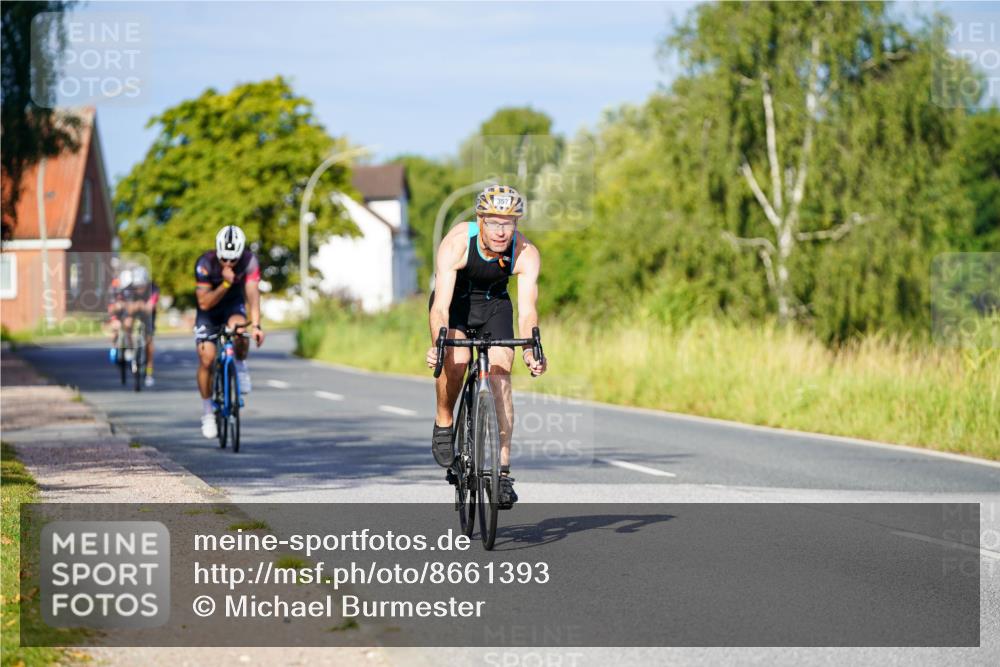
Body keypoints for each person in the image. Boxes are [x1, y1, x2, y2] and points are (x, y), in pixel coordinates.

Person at [425, 185, 547, 509]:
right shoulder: (457, 244)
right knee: (458, 356)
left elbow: (528, 311)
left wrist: (531, 350)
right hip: (458, 305)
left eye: (508, 223)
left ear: (516, 224)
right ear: (480, 220)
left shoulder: (525, 253)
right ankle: (443, 419)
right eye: (493, 222)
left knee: (500, 376)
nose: (500, 231)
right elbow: (440, 307)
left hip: (495, 306)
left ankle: (502, 472)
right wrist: (439, 343)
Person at [194, 225, 265, 438]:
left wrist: (257, 325)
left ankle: (240, 365)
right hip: (209, 309)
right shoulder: (205, 263)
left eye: (233, 260)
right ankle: (208, 412)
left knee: (240, 330)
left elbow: (252, 293)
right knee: (207, 359)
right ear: (217, 251)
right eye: (224, 258)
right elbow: (204, 303)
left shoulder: (249, 261)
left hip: (233, 306)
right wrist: (226, 282)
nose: (228, 263)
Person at [107, 265, 160, 387]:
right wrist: (137, 306)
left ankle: (149, 373)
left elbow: (149, 307)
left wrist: (141, 306)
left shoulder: (153, 288)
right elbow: (128, 308)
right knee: (128, 322)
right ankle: (129, 347)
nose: (139, 289)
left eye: (142, 286)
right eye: (137, 287)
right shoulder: (129, 289)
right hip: (134, 313)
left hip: (148, 315)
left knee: (149, 342)